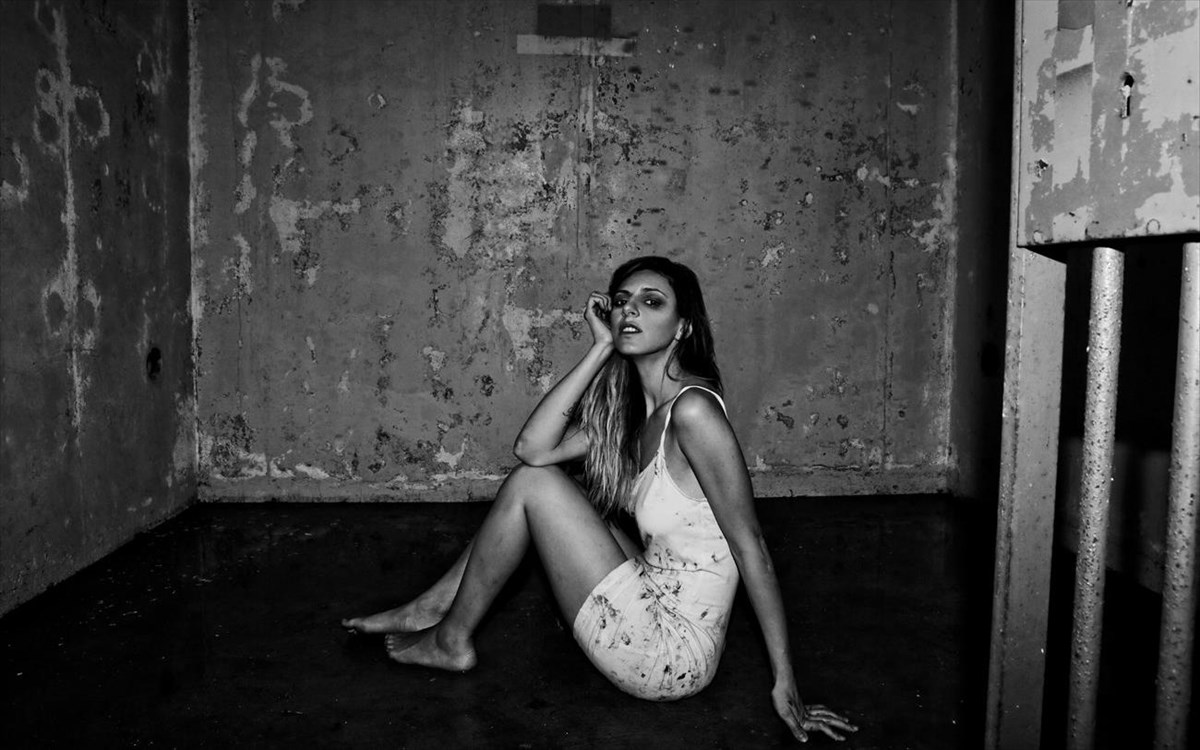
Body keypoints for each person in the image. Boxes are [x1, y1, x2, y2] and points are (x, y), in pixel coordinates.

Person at [343, 256, 858, 743]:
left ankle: (450, 637)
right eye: (622, 301)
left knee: (533, 487)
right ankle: (433, 608)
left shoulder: (694, 413)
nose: (630, 310)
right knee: (543, 480)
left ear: (683, 328)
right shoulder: (635, 415)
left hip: (669, 653)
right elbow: (533, 449)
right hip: (652, 591)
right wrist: (599, 348)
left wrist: (785, 681)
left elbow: (751, 547)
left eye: (652, 302)